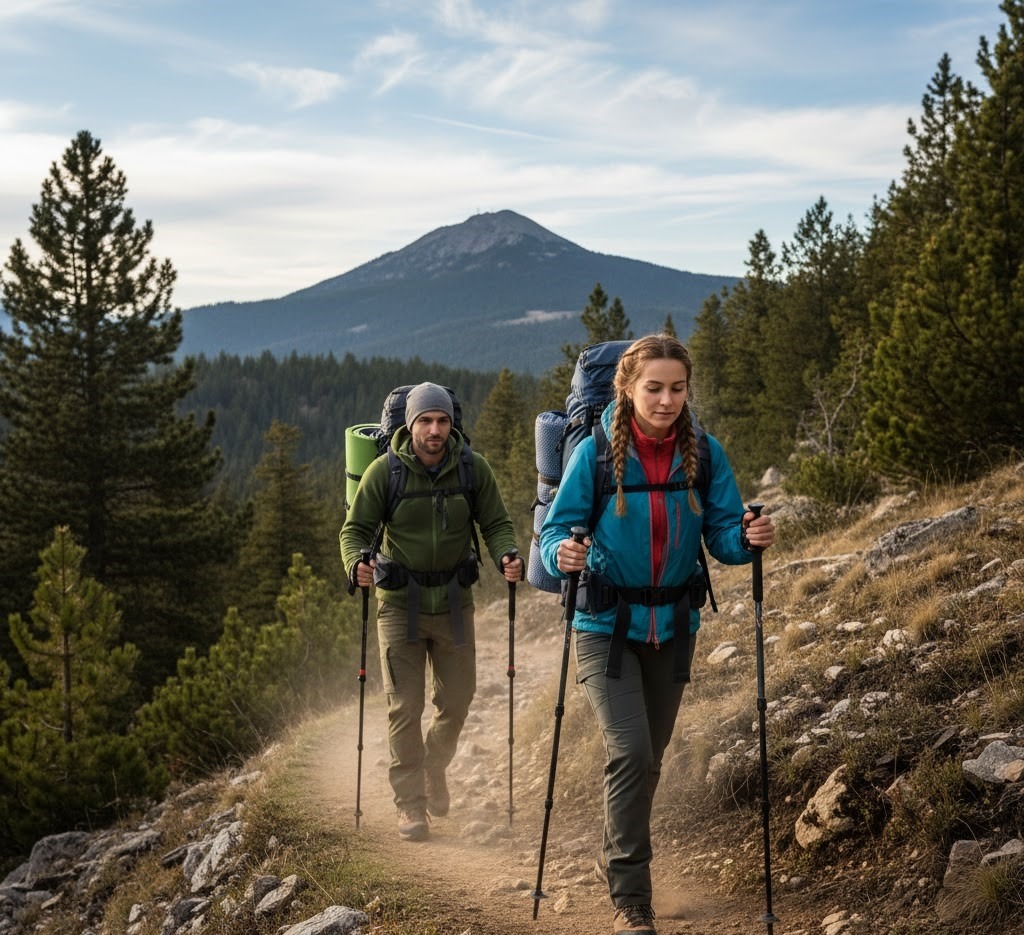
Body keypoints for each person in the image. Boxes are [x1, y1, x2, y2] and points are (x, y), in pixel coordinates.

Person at [539, 335, 775, 934]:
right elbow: (557, 530)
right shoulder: (593, 455)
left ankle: (612, 855)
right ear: (627, 388)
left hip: (674, 626)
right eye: (654, 388)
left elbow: (721, 535)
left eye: (677, 388)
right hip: (604, 626)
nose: (666, 400)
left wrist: (746, 541)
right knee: (632, 750)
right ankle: (632, 900)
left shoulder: (704, 452)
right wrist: (563, 549)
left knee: (650, 759)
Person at [340, 381, 523, 842]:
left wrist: (506, 554)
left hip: (456, 605)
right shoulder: (386, 473)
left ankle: (431, 766)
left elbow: (496, 522)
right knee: (405, 706)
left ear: (451, 424)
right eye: (425, 421)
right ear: (411, 425)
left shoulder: (472, 469)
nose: (435, 430)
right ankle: (410, 804)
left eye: (442, 421)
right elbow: (355, 530)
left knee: (459, 699)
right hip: (401, 605)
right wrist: (356, 564)